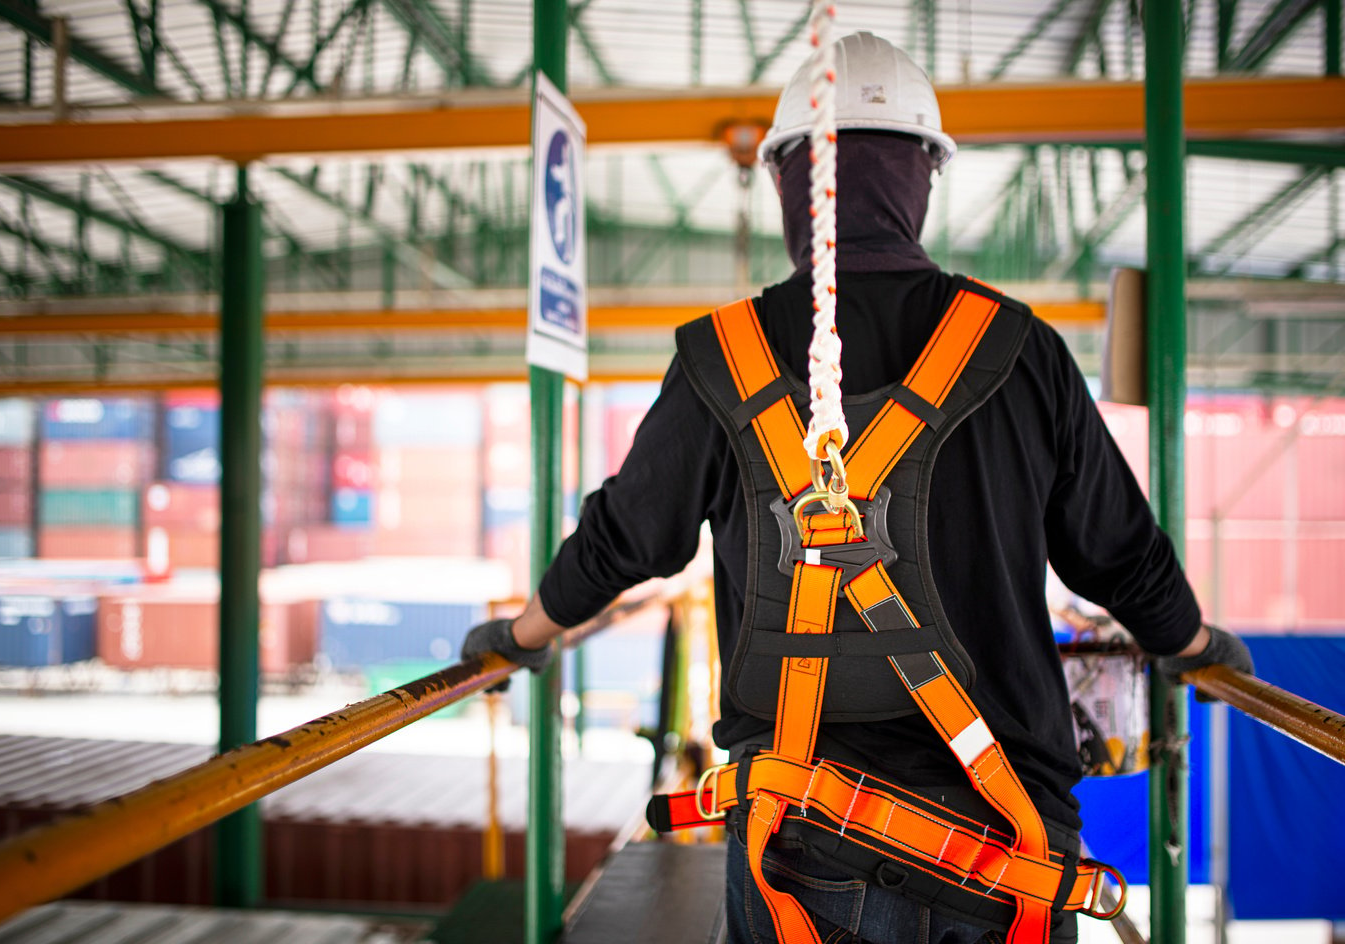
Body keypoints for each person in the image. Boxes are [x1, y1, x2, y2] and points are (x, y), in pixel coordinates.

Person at [463, 31, 1253, 944]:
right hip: (1009, 854)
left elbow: (621, 540)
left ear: (789, 185)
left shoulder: (725, 362)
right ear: (923, 176)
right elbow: (1122, 554)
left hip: (804, 848)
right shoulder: (1020, 352)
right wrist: (1194, 644)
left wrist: (520, 639)